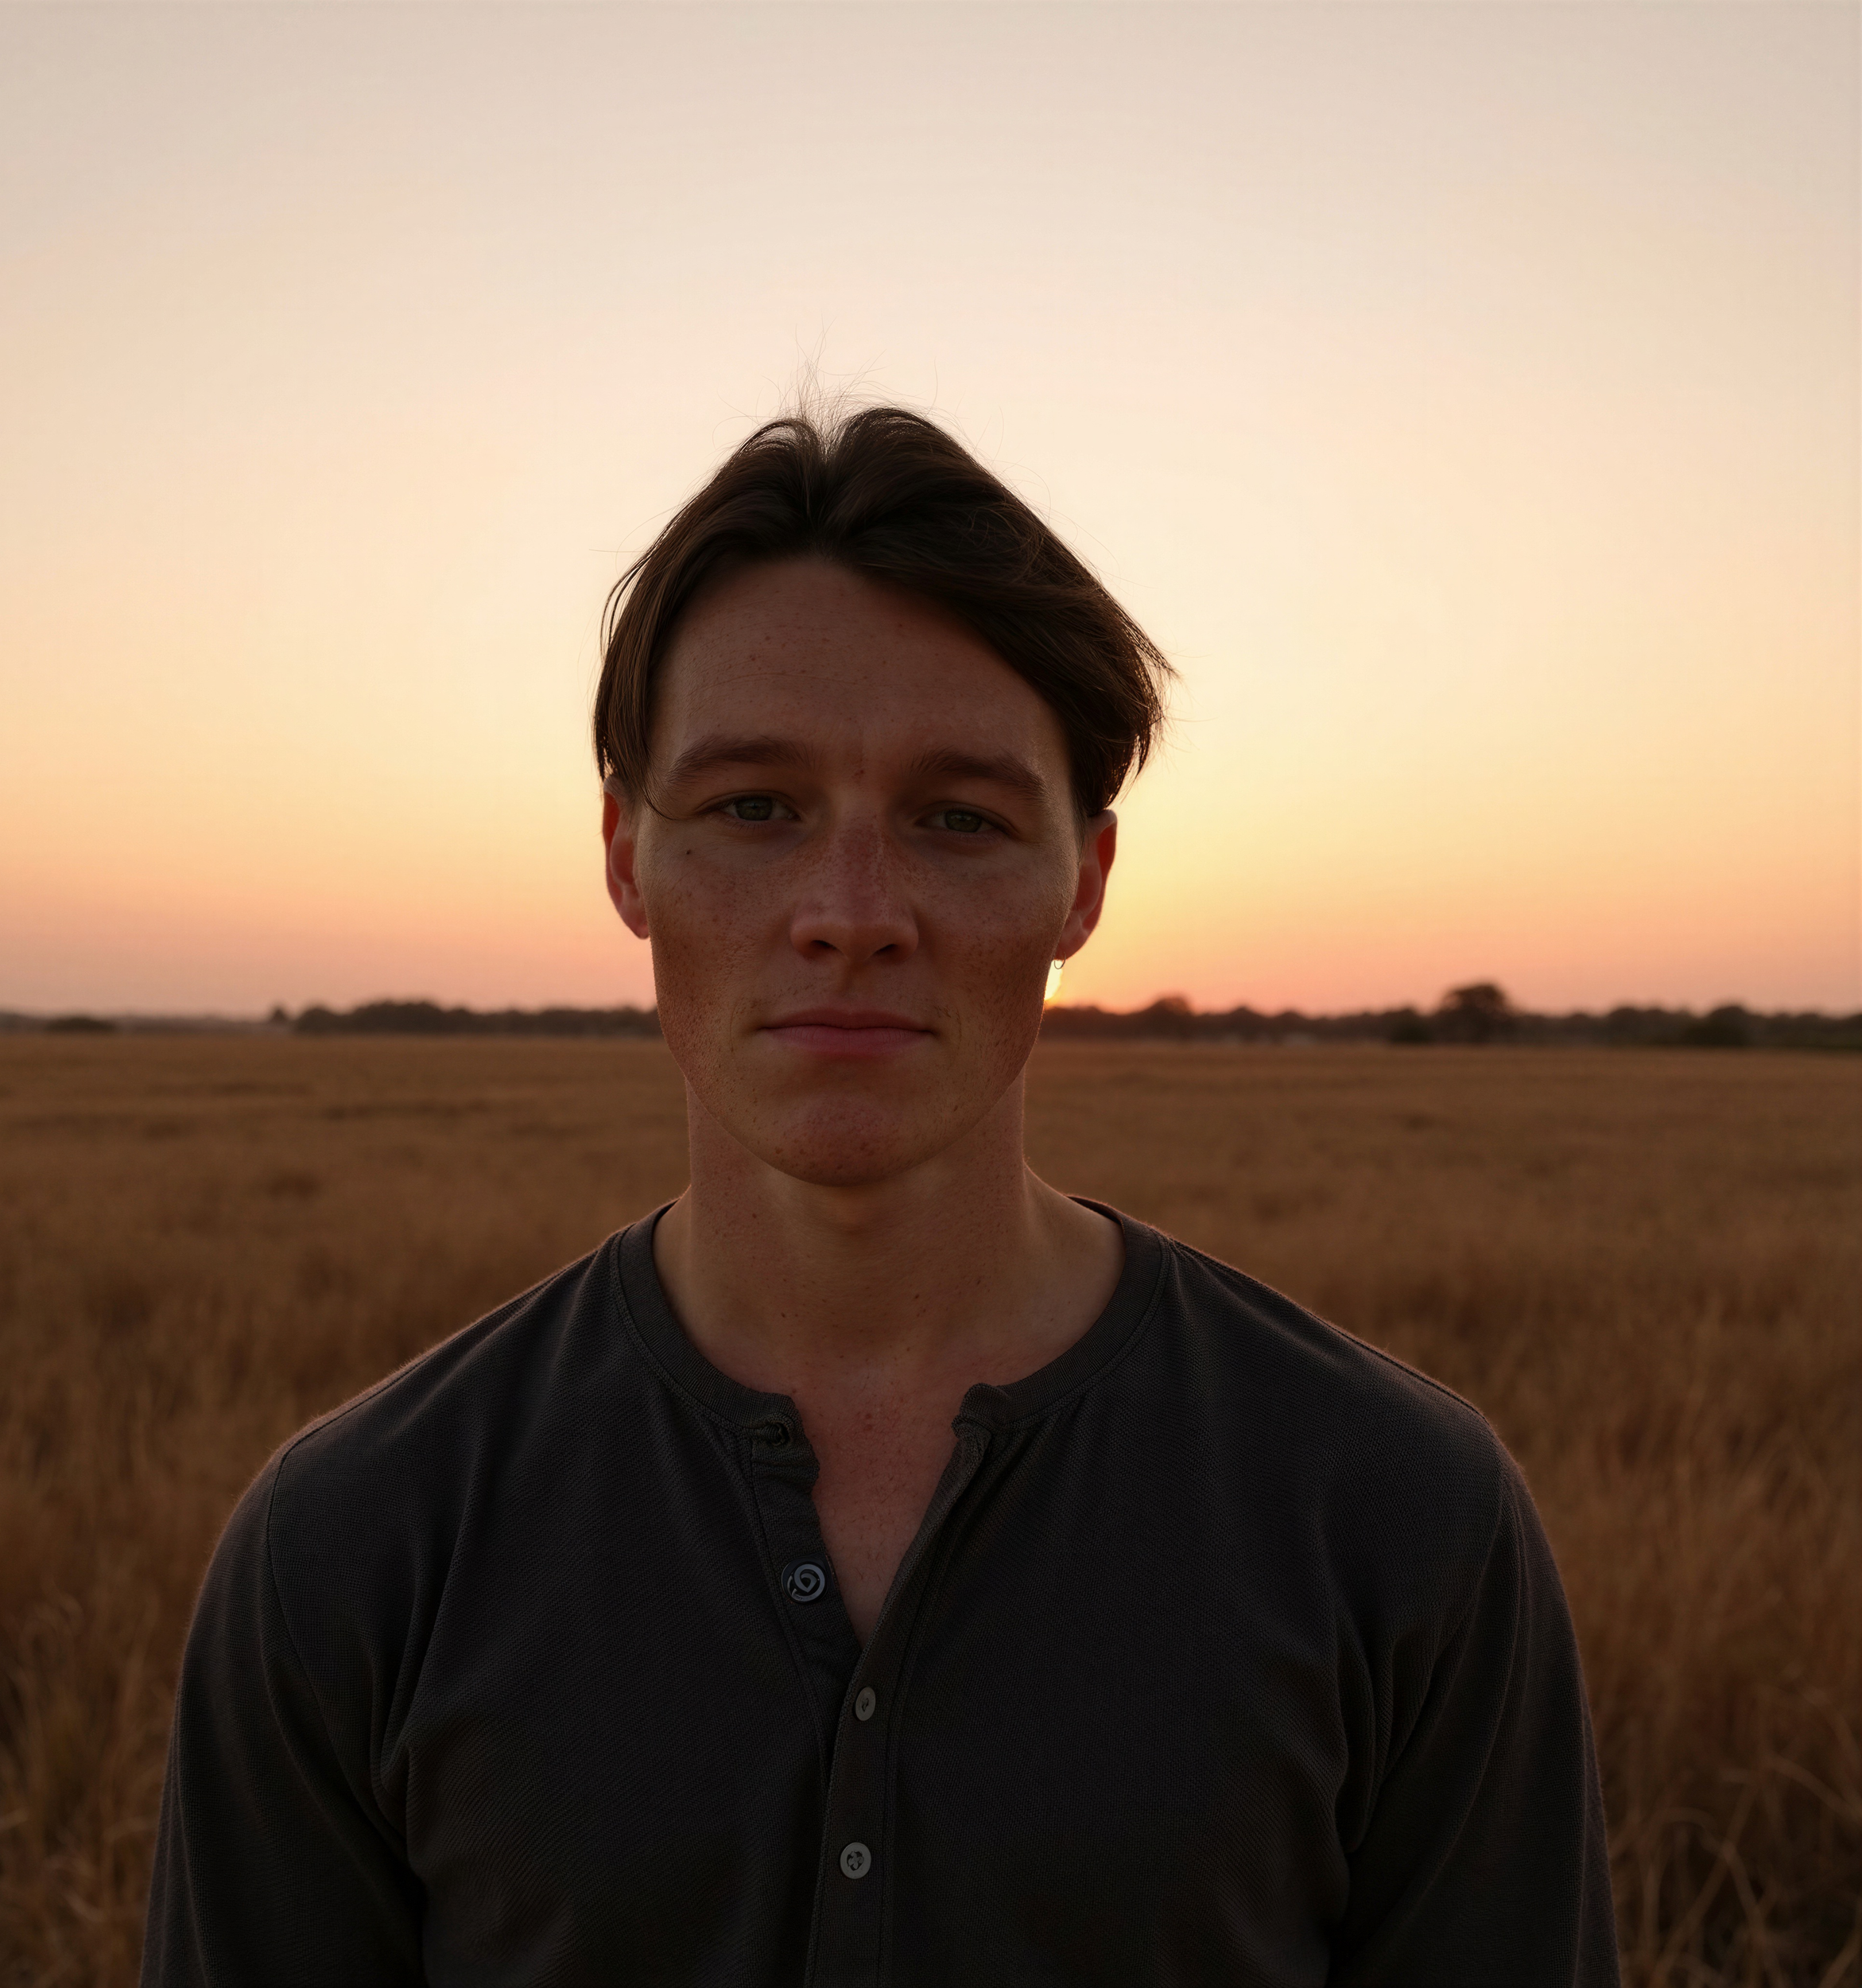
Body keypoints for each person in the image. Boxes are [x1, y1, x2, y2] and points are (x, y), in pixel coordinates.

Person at [143, 406, 1618, 1986]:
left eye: (957, 817)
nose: (850, 914)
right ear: (624, 854)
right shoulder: (357, 1542)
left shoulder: (1394, 1513)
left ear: (1085, 881)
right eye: (753, 808)